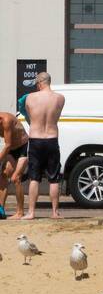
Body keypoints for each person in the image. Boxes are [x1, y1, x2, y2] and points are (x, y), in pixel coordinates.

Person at [24, 72, 65, 220]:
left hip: (35, 139)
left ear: (40, 83)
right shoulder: (60, 98)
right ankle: (55, 212)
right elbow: (57, 116)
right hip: (52, 139)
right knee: (53, 178)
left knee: (34, 178)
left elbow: (30, 116)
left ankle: (31, 212)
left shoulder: (30, 98)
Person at [0, 108, 29, 219]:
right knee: (3, 174)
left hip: (23, 147)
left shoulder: (6, 120)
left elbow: (7, 145)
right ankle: (1, 209)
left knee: (16, 178)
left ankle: (20, 212)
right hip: (12, 149)